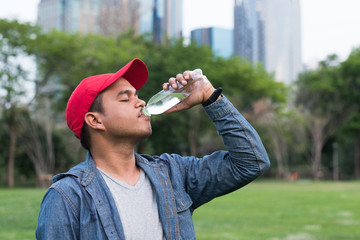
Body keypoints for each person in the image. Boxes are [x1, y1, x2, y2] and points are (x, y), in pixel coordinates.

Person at [36, 58, 270, 239]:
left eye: (137, 95)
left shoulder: (173, 174)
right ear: (95, 121)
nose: (140, 102)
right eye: (125, 99)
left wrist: (209, 97)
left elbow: (251, 162)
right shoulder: (67, 197)